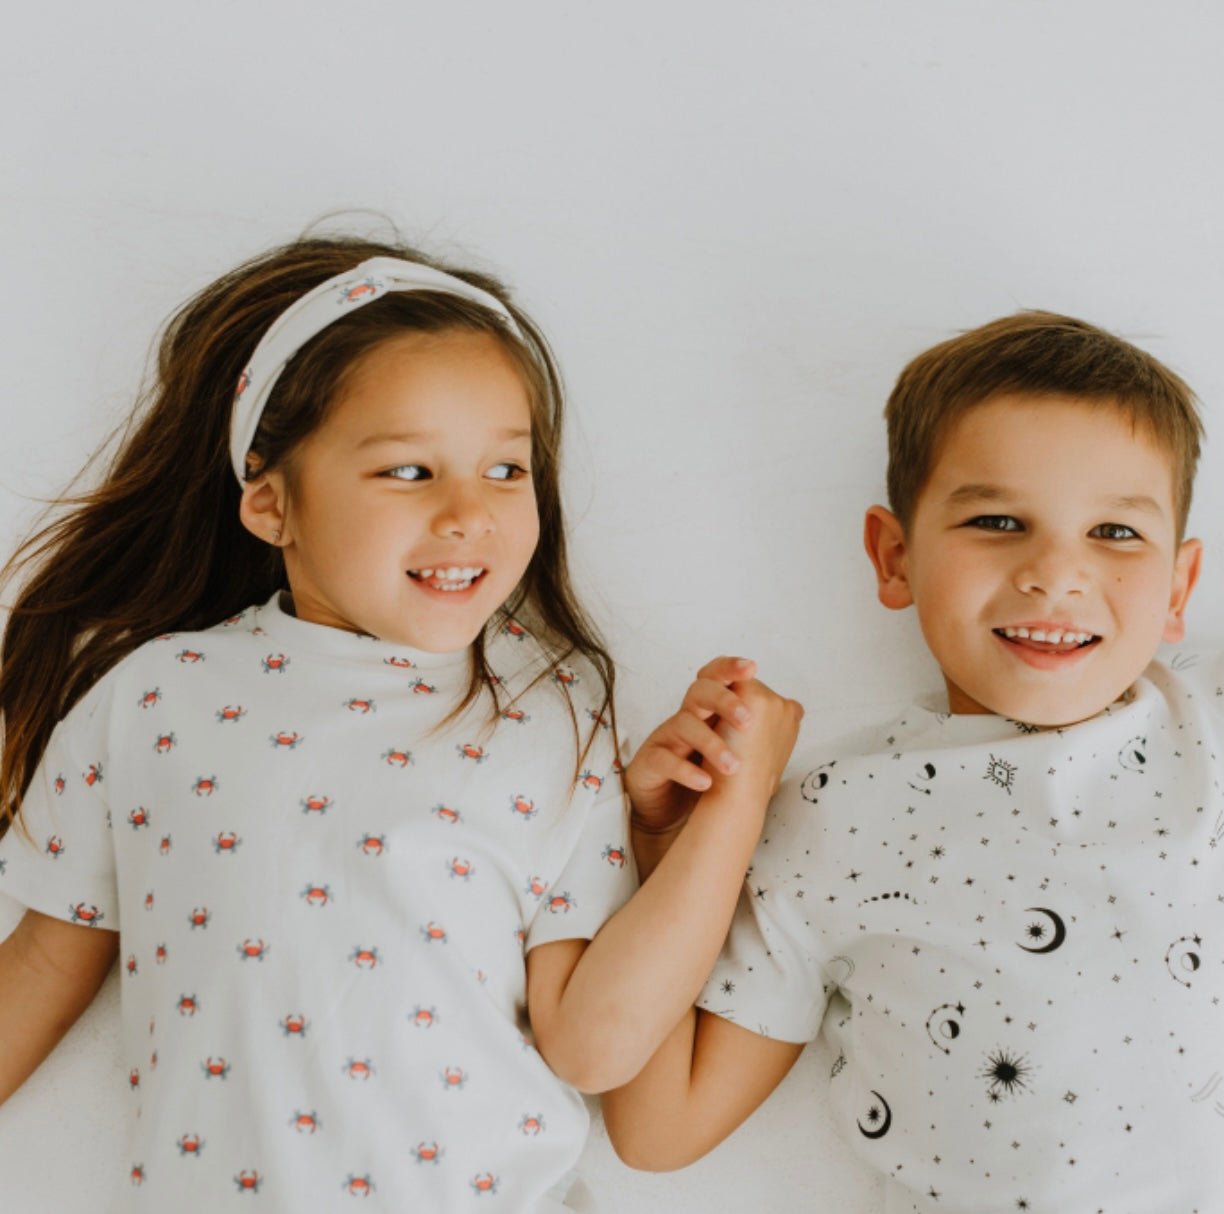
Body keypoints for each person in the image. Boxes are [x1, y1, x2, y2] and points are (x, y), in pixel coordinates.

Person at [0, 234, 802, 1213]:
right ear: (272, 503)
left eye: (506, 469)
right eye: (409, 471)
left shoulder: (549, 709)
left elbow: (593, 1044)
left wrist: (734, 806)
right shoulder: (155, 696)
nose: (470, 513)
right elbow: (46, 960)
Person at [603, 311, 1224, 1210]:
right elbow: (658, 1130)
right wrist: (674, 847)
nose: (1056, 573)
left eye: (1116, 533)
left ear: (1180, 584)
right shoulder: (831, 819)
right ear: (895, 557)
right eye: (998, 521)